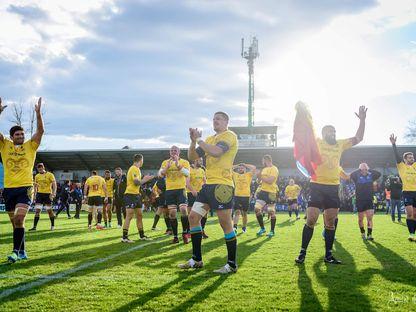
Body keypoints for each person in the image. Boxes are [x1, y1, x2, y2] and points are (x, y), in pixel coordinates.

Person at [295, 105, 367, 265]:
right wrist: (303, 114)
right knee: (311, 219)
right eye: (330, 131)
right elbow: (305, 131)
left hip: (333, 188)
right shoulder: (317, 142)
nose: (333, 134)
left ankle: (328, 255)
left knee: (330, 222)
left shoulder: (340, 144)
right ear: (323, 134)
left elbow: (358, 138)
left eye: (334, 131)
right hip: (317, 186)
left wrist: (362, 120)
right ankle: (302, 252)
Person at [179, 112, 238, 274]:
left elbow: (217, 152)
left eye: (218, 119)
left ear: (226, 121)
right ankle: (197, 259)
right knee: (193, 217)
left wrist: (199, 140)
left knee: (225, 223)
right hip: (208, 185)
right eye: (213, 119)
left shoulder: (229, 135)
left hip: (222, 185)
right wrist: (192, 142)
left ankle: (232, 264)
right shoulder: (210, 139)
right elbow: (192, 157)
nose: (215, 121)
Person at [0, 97, 44, 263]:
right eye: (17, 134)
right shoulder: (4, 145)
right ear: (11, 137)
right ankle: (23, 251)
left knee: (19, 219)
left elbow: (40, 132)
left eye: (22, 134)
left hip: (25, 187)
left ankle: (14, 253)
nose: (21, 136)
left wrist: (38, 114)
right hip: (9, 189)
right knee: (15, 224)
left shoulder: (30, 146)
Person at [159, 146, 191, 244]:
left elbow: (187, 173)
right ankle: (175, 236)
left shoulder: (184, 162)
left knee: (183, 210)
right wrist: (167, 167)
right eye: (172, 151)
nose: (173, 152)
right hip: (170, 190)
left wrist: (178, 164)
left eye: (175, 150)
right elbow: (160, 174)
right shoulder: (165, 162)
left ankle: (185, 233)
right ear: (169, 152)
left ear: (179, 152)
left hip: (181, 189)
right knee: (172, 214)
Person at [389, 134, 416, 241]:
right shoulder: (402, 166)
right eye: (410, 157)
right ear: (405, 159)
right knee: (409, 213)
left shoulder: (415, 166)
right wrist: (394, 144)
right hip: (407, 192)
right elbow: (397, 156)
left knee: (415, 214)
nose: (412, 159)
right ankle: (411, 234)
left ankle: (413, 233)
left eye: (413, 157)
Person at [122, 154, 153, 243]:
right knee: (129, 216)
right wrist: (145, 179)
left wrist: (144, 179)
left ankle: (142, 235)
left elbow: (137, 183)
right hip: (130, 194)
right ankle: (124, 237)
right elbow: (136, 183)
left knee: (139, 215)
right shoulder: (134, 168)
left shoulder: (137, 169)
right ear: (141, 160)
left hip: (136, 195)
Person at [349, 163, 381, 240]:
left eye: (366, 169)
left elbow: (378, 174)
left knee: (369, 218)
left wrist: (368, 169)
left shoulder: (371, 176)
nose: (364, 170)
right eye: (362, 169)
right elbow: (351, 174)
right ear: (360, 170)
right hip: (359, 200)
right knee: (360, 219)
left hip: (369, 200)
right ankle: (362, 232)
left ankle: (369, 235)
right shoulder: (356, 177)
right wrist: (359, 169)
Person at [254, 155, 279, 238]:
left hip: (271, 193)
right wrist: (258, 176)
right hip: (263, 191)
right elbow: (259, 181)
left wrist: (261, 176)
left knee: (271, 212)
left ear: (266, 160)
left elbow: (270, 181)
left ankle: (272, 231)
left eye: (263, 160)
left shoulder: (274, 169)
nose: (262, 162)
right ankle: (262, 228)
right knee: (257, 209)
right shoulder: (264, 169)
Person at [29, 163, 57, 231]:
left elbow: (54, 184)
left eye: (41, 167)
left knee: (49, 211)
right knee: (37, 211)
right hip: (39, 195)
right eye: (38, 168)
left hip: (47, 195)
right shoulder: (37, 176)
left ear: (43, 167)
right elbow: (35, 186)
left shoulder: (50, 174)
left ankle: (52, 226)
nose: (40, 169)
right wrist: (35, 195)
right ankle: (34, 227)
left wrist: (53, 193)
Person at [186, 159, 207, 238]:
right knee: (191, 213)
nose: (201, 162)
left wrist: (206, 189)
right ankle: (189, 231)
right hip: (191, 193)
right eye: (200, 161)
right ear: (195, 161)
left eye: (202, 161)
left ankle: (202, 230)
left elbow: (205, 181)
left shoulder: (202, 170)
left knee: (204, 213)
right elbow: (187, 182)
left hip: (201, 194)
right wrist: (192, 190)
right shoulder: (189, 169)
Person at [232, 163, 256, 233]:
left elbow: (254, 167)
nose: (241, 169)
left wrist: (245, 164)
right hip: (237, 196)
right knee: (237, 212)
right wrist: (237, 165)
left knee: (244, 213)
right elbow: (229, 168)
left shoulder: (248, 175)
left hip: (246, 196)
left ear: (245, 169)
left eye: (242, 168)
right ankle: (235, 227)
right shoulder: (235, 175)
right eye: (240, 168)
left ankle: (244, 227)